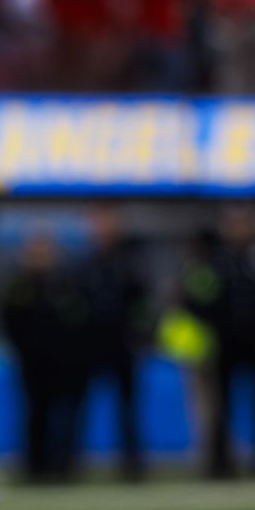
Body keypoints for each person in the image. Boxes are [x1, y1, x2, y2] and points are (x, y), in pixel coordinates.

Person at [199, 206, 255, 478]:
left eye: (243, 223)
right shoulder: (216, 259)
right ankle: (221, 463)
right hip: (225, 341)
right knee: (222, 405)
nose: (238, 229)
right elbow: (203, 298)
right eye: (233, 223)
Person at [3, 232, 89, 483]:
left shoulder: (66, 283)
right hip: (31, 362)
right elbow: (10, 321)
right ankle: (34, 468)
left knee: (65, 416)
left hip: (64, 363)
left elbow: (78, 320)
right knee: (34, 415)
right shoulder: (18, 285)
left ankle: (64, 467)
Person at [77, 206, 150, 481]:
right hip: (90, 345)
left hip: (123, 345)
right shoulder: (83, 264)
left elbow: (143, 304)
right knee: (79, 407)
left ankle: (132, 464)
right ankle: (70, 464)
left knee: (128, 408)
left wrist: (140, 336)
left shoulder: (131, 263)